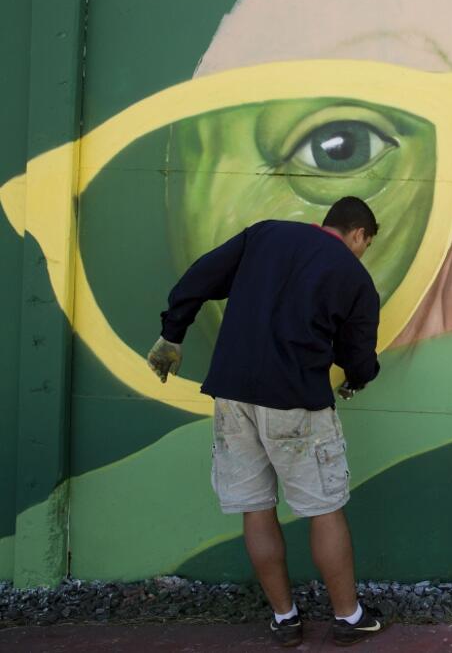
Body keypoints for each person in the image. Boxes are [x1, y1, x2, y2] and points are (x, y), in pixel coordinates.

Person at [147, 196, 386, 647]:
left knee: (256, 507)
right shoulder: (354, 276)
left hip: (232, 394)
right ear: (359, 234)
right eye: (366, 244)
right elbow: (357, 356)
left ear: (324, 222)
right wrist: (358, 380)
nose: (361, 252)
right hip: (295, 400)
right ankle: (348, 618)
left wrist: (171, 333)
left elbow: (199, 276)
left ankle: (285, 618)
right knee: (323, 507)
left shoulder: (265, 234)